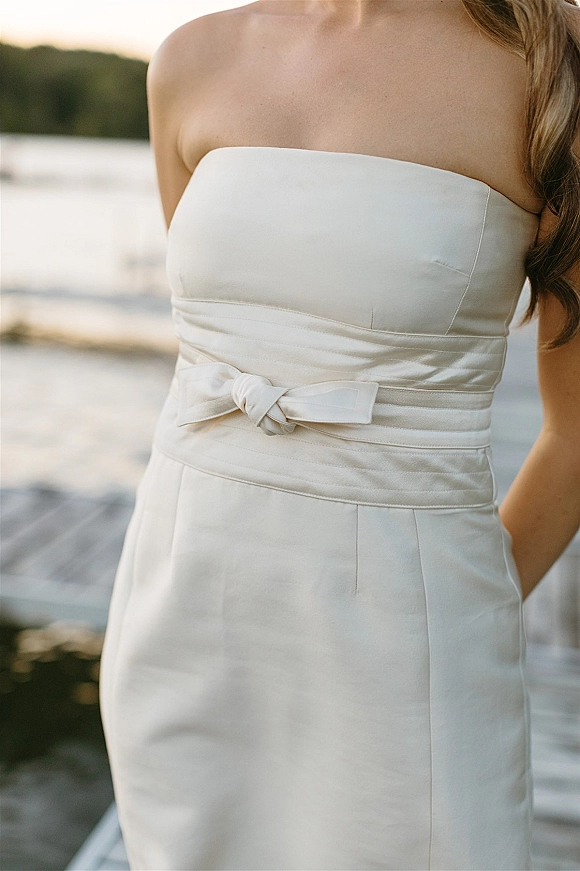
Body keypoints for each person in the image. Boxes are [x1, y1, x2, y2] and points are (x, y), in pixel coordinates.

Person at [99, 1, 580, 869]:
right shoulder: (189, 58)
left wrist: (458, 605)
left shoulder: (553, 61)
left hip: (416, 637)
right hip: (181, 603)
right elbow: (215, 351)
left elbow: (577, 437)